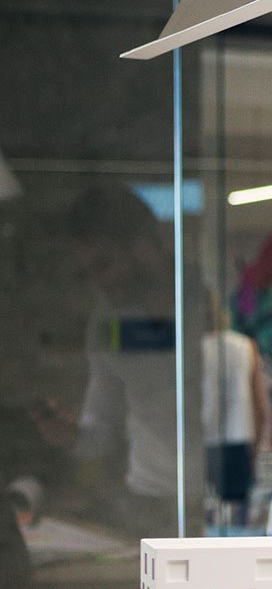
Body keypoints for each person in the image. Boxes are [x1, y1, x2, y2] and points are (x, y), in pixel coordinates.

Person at [33, 184, 180, 539]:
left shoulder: (203, 298)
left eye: (104, 264)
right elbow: (101, 433)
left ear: (144, 248)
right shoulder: (106, 324)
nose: (99, 283)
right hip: (150, 500)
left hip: (220, 494)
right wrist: (69, 435)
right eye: (88, 272)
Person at [203, 289, 269, 525]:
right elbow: (261, 408)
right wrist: (256, 450)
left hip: (200, 443)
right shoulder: (245, 347)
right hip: (238, 443)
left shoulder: (190, 349)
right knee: (235, 529)